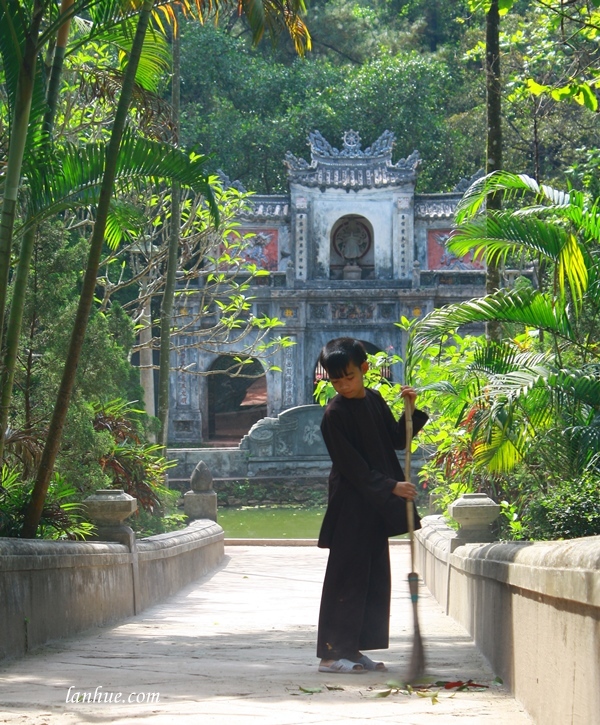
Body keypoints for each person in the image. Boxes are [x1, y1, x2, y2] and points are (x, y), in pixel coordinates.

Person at [316, 337, 428, 674]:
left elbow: (396, 440)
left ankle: (354, 648)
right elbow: (353, 467)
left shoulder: (376, 400)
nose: (344, 385)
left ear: (364, 369)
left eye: (349, 377)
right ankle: (331, 655)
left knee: (371, 578)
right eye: (337, 381)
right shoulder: (334, 415)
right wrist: (392, 486)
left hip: (375, 506)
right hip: (351, 506)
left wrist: (409, 411)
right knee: (346, 577)